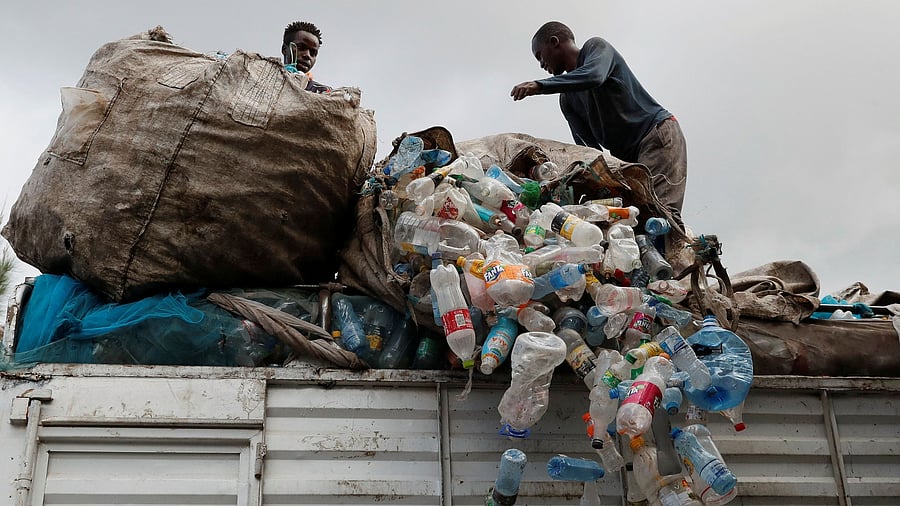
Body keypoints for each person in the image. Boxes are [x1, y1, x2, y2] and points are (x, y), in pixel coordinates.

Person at [511, 21, 687, 223]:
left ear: (554, 42)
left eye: (540, 56)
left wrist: (540, 86)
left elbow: (594, 76)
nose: (541, 64)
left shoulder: (596, 48)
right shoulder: (568, 100)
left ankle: (673, 248)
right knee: (631, 218)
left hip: (655, 136)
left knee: (658, 215)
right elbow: (589, 152)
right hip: (626, 160)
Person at [281, 20, 332, 94]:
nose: (307, 55)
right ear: (284, 49)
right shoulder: (264, 78)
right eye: (301, 47)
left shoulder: (323, 92)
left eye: (313, 53)